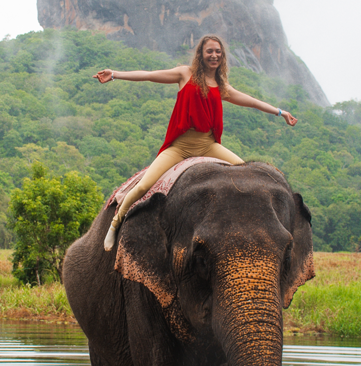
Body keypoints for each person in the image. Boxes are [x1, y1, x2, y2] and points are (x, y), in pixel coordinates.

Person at [94, 34, 298, 251]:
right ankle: (115, 224)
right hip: (180, 146)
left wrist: (280, 112)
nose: (214, 55)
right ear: (201, 53)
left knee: (246, 174)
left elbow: (253, 101)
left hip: (208, 145)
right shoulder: (185, 73)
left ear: (222, 56)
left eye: (218, 52)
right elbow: (150, 75)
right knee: (144, 185)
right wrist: (115, 74)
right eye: (210, 51)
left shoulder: (221, 86)